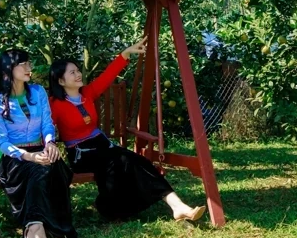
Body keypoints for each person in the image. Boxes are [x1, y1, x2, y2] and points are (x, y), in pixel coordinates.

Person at [48, 36, 205, 223]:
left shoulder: (87, 94)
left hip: (102, 146)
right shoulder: (55, 105)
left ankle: (177, 206)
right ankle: (107, 207)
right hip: (81, 154)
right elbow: (45, 127)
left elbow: (108, 76)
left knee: (138, 161)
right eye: (72, 72)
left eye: (77, 70)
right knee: (120, 161)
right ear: (61, 81)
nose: (78, 74)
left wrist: (124, 54)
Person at [0, 48, 76, 238]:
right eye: (23, 64)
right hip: (12, 158)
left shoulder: (37, 92)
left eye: (29, 63)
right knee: (38, 171)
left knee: (58, 169)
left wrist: (50, 143)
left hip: (40, 149)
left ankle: (58, 231)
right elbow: (2, 142)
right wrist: (29, 156)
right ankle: (35, 232)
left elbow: (47, 123)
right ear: (10, 69)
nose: (29, 68)